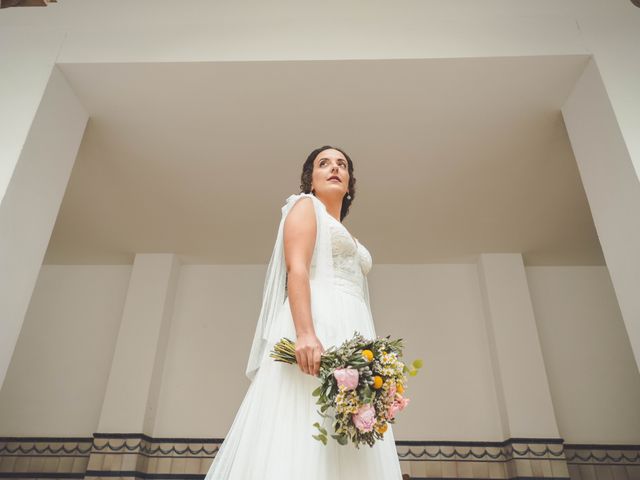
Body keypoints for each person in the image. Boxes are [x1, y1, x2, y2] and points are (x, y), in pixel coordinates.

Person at [204, 146, 404, 479]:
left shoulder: (348, 233)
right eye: (324, 164)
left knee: (343, 433)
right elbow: (296, 269)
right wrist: (306, 333)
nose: (334, 168)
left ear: (350, 183)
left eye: (342, 164)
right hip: (318, 321)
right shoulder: (304, 207)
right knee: (304, 418)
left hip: (352, 331)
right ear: (310, 180)